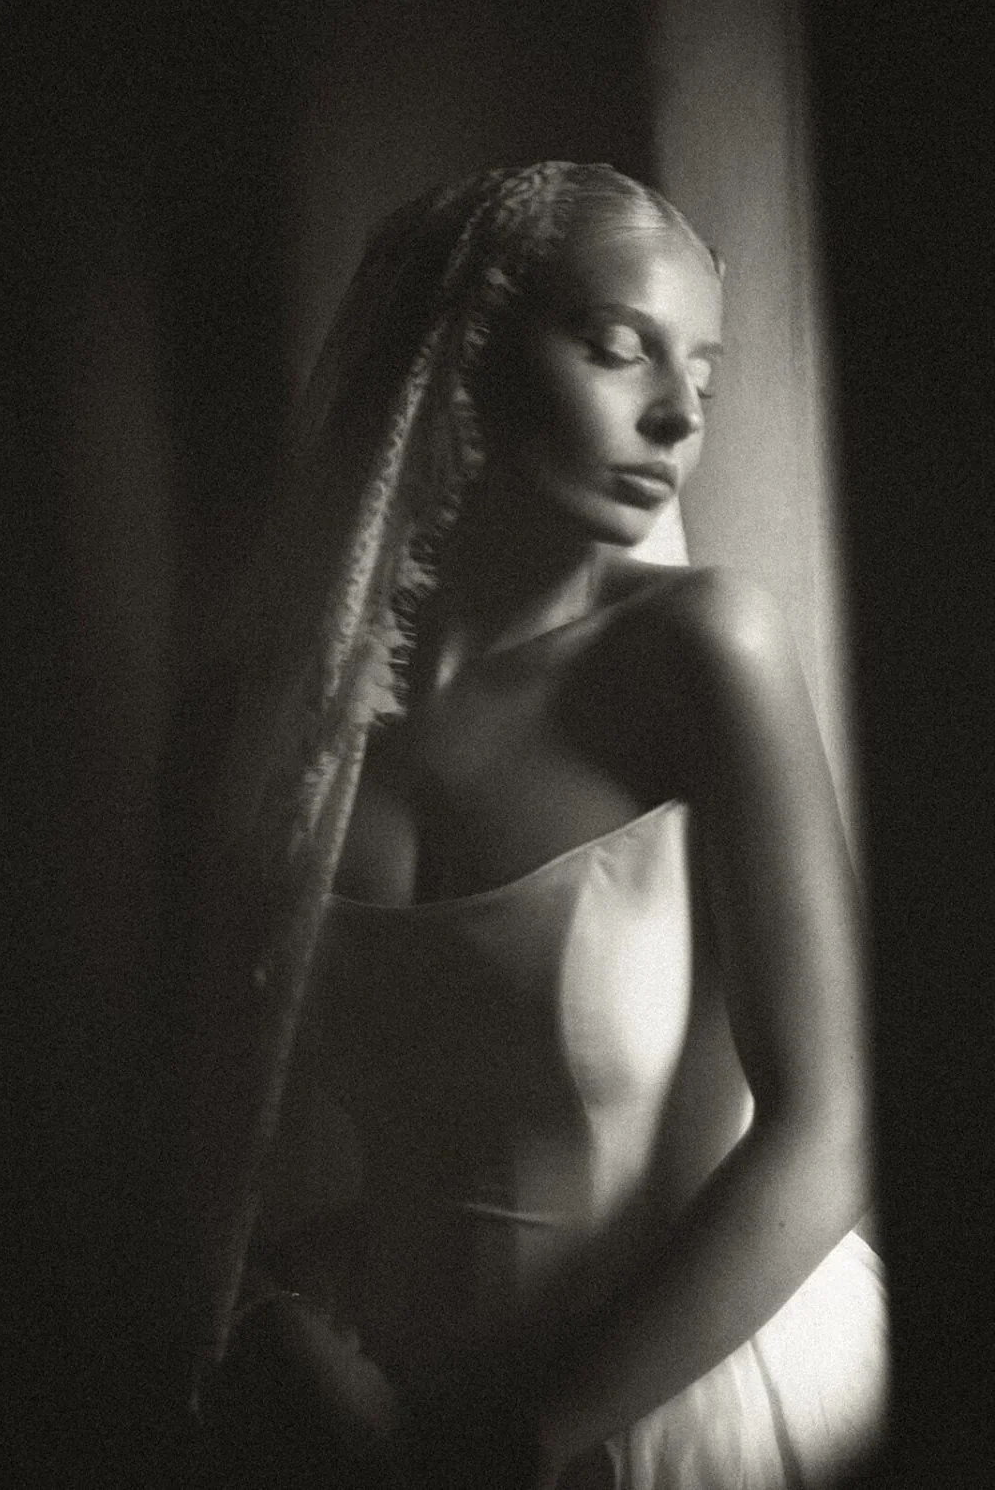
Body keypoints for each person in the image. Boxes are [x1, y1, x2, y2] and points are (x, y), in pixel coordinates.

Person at [205, 163, 887, 1490]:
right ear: (459, 358)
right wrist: (274, 1327)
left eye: (707, 369)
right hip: (368, 1410)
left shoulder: (703, 651)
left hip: (686, 1404)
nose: (678, 413)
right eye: (618, 348)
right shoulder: (256, 713)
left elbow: (835, 1124)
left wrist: (508, 1449)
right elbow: (198, 1116)